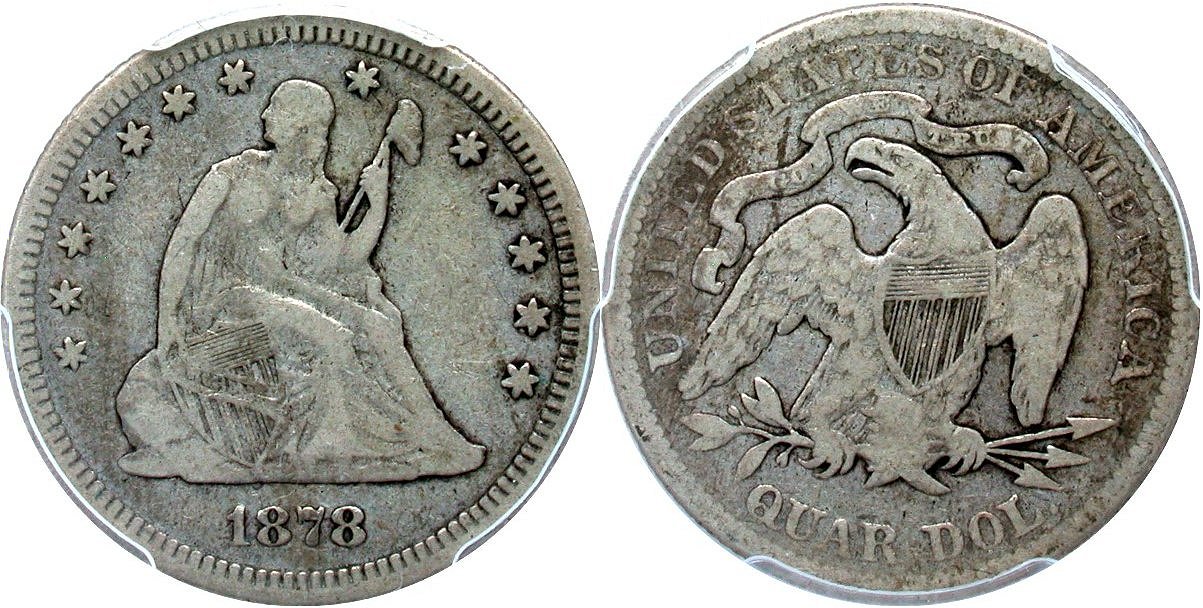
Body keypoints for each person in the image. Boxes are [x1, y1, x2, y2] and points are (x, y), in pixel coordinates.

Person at [115, 79, 486, 483]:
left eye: (275, 107)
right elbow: (183, 244)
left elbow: (343, 261)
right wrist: (167, 323)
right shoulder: (231, 176)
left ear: (301, 126)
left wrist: (377, 203)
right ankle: (345, 448)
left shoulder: (319, 191)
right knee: (330, 334)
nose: (265, 115)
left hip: (280, 290)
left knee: (379, 325)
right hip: (223, 300)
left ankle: (440, 439)